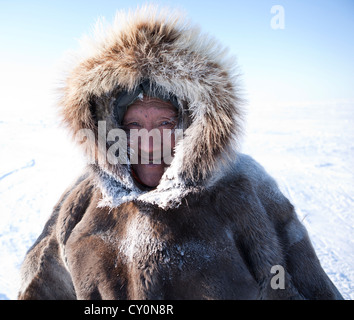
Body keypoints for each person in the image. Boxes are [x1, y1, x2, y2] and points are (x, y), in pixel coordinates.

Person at [18, 6, 343, 299]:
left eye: (164, 123)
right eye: (133, 125)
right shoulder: (83, 200)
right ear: (111, 129)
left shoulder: (245, 189)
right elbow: (42, 285)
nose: (148, 144)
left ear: (193, 127)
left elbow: (303, 286)